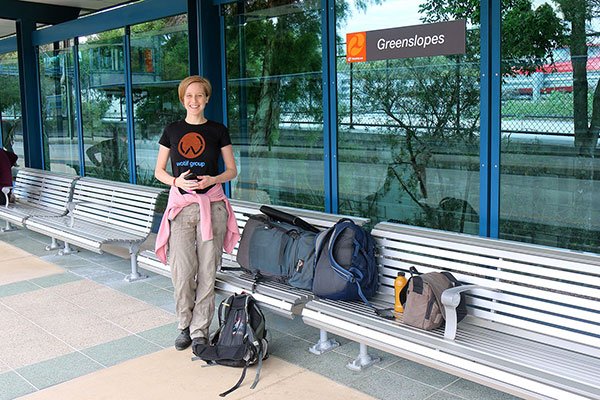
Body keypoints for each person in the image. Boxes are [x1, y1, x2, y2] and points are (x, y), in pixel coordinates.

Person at [154, 76, 241, 351]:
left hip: (212, 207)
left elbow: (231, 170)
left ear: (207, 99)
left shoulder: (218, 130)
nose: (194, 101)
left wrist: (212, 179)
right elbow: (159, 171)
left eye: (200, 96)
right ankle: (183, 325)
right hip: (181, 207)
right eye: (189, 96)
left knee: (207, 269)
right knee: (181, 270)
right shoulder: (172, 130)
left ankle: (200, 329)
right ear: (183, 99)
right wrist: (176, 182)